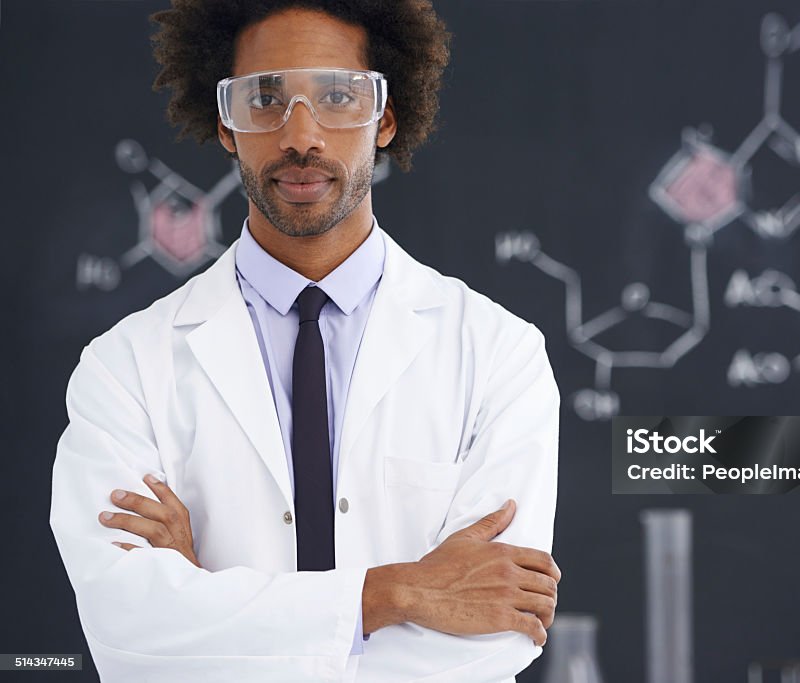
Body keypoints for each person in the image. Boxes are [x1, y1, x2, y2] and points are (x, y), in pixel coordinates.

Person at [48, 2, 561, 681]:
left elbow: (494, 632)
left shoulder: (499, 354)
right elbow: (126, 628)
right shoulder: (126, 368)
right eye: (264, 97)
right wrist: (394, 591)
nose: (301, 134)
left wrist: (211, 606)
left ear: (386, 115)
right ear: (226, 123)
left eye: (338, 96)